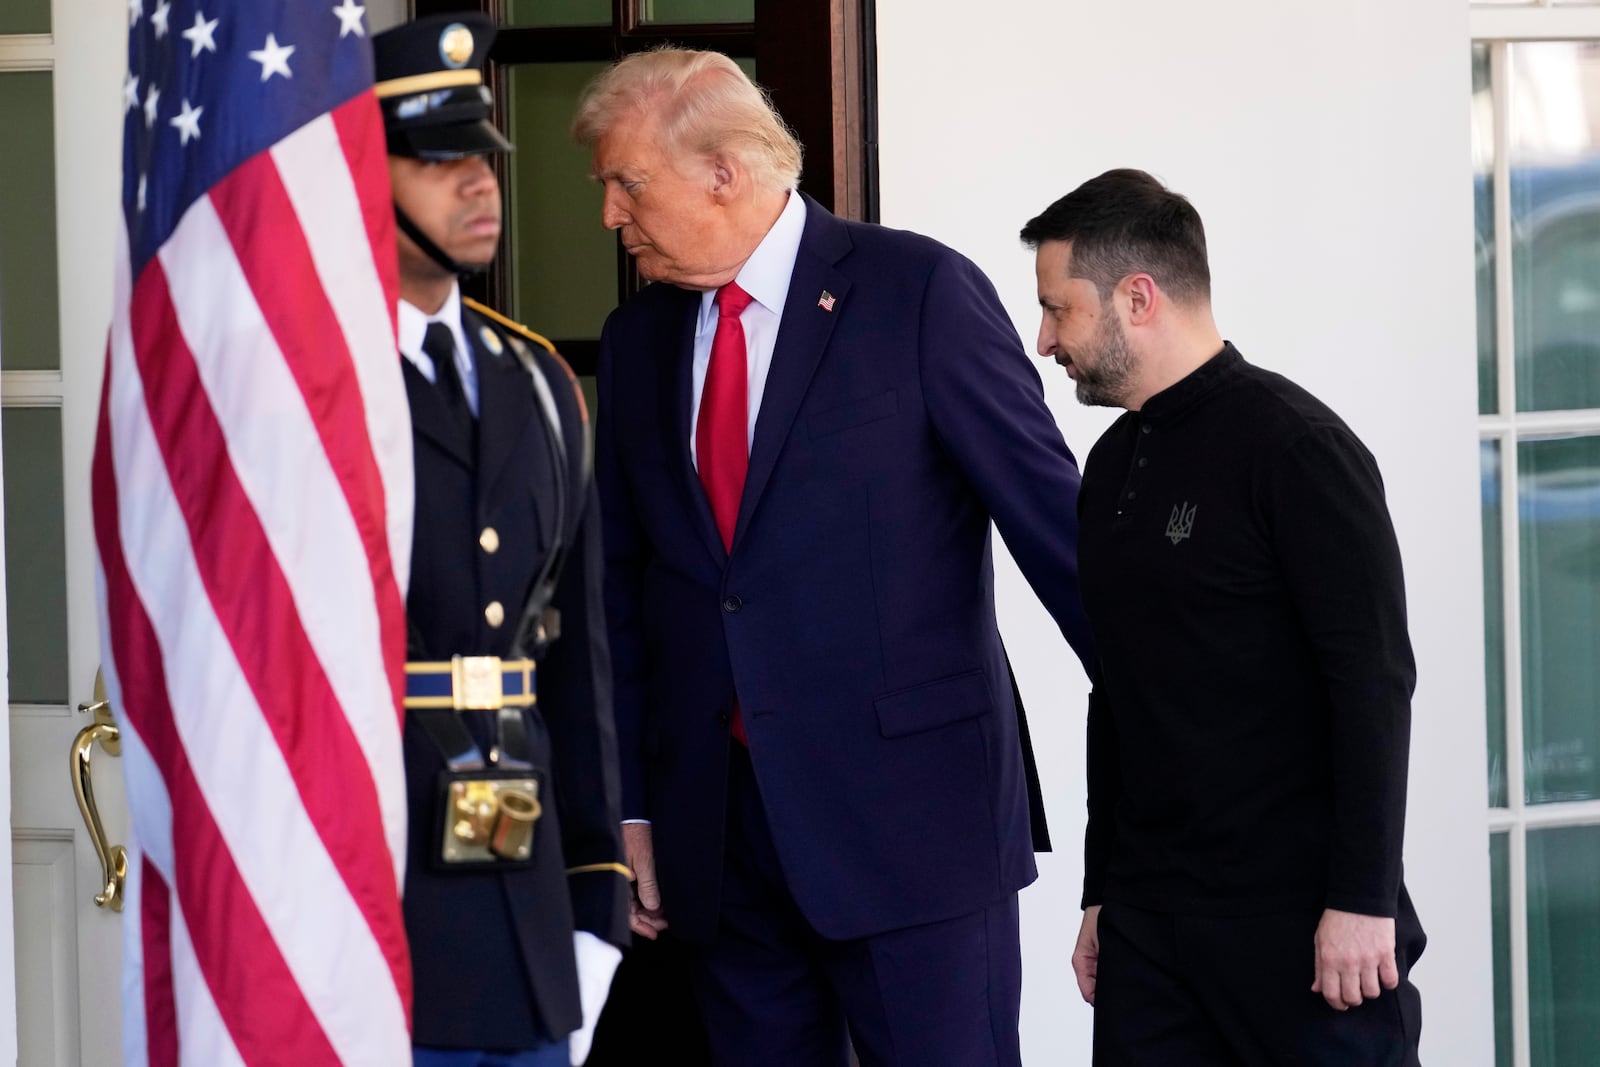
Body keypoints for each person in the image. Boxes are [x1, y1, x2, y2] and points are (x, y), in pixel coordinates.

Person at [571, 49, 1095, 1067]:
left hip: (916, 833)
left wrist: (1184, 773)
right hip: (717, 845)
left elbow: (1062, 539)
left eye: (625, 182)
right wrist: (628, 806)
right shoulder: (635, 340)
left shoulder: (917, 291)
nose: (608, 215)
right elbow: (619, 598)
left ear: (723, 171)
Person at [1021, 168, 1426, 1065]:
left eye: (1060, 310)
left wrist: (1362, 899)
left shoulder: (1298, 448)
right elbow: (1116, 689)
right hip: (1152, 928)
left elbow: (1372, 683)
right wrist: (1102, 889)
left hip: (1303, 925)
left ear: (1138, 297)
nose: (1045, 339)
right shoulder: (1112, 467)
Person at [373, 14, 629, 1066]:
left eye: (483, 154)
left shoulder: (536, 382)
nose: (479, 181)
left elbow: (575, 657)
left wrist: (594, 894)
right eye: (438, 160)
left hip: (527, 915)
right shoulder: (313, 386)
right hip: (373, 911)